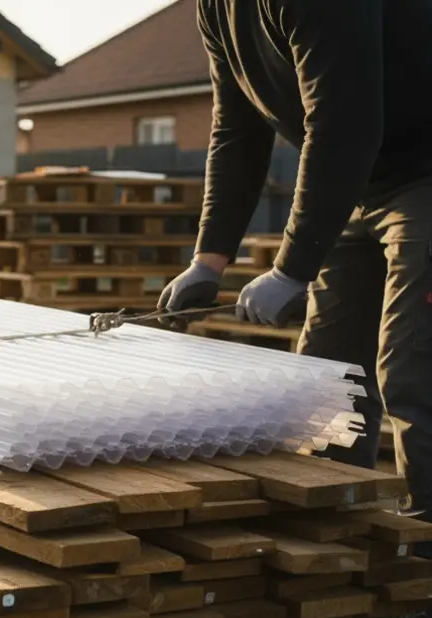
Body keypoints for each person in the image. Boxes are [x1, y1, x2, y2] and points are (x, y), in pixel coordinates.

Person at [159, 1, 430, 527]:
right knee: (327, 377)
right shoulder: (216, 9)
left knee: (413, 372)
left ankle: (422, 571)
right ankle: (333, 548)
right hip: (362, 179)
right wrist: (208, 261)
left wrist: (291, 270)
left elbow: (342, 121)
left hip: (421, 171)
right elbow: (236, 129)